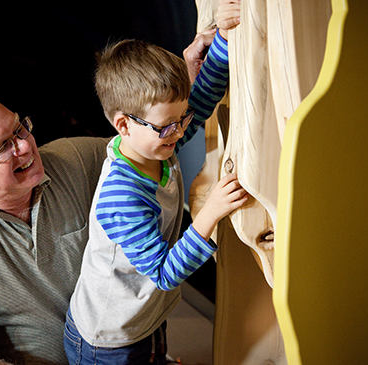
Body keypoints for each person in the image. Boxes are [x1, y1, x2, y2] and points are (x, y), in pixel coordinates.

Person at [0, 30, 219, 365]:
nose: (25, 146)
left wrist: (181, 84)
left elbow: (150, 137)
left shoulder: (75, 157)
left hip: (126, 344)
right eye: (2, 147)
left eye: (19, 128)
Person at [64, 2, 243, 364]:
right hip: (109, 340)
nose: (179, 132)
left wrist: (224, 36)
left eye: (182, 119)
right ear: (123, 125)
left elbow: (204, 97)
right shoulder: (122, 195)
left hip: (144, 317)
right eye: (167, 125)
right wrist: (210, 214)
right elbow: (163, 273)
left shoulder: (155, 143)